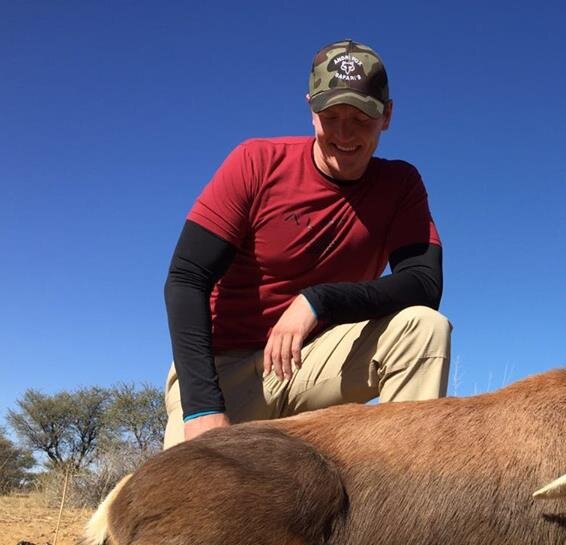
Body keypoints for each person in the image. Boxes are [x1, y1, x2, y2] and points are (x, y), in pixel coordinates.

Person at [162, 39, 451, 448]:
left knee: (423, 329)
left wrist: (318, 301)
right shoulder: (257, 162)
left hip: (312, 364)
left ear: (386, 115)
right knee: (189, 504)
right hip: (225, 374)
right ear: (311, 108)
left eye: (362, 117)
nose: (344, 134)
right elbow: (187, 279)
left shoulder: (400, 184)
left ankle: (406, 492)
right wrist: (203, 409)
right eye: (331, 115)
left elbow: (424, 283)